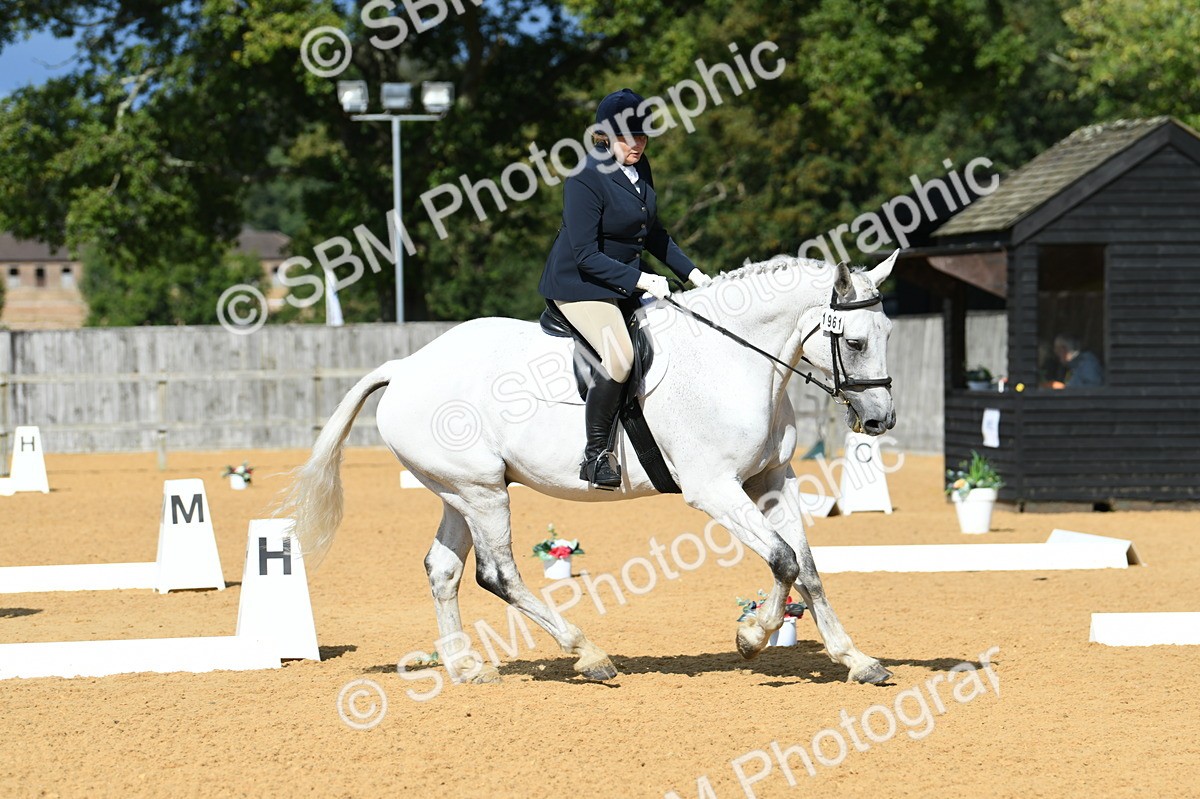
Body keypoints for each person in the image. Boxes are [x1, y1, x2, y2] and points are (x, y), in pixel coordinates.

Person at [538, 88, 711, 490]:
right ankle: (596, 455)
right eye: (628, 137)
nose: (637, 144)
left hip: (623, 280)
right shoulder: (585, 177)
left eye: (642, 136)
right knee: (620, 357)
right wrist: (642, 280)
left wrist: (696, 275)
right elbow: (585, 255)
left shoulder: (639, 168)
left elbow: (654, 235)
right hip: (580, 284)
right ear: (605, 135)